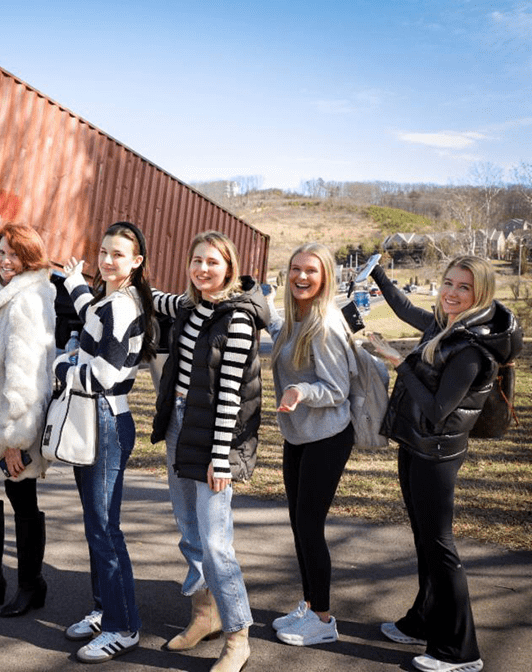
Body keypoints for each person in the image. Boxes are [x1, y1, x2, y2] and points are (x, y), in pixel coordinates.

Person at [368, 256, 521, 672]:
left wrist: (399, 362)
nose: (451, 293)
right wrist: (375, 272)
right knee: (423, 540)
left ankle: (460, 652)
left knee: (440, 545)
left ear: (481, 293)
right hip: (415, 445)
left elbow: (437, 410)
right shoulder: (447, 324)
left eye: (463, 288)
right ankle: (423, 619)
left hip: (437, 452)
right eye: (447, 283)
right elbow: (405, 308)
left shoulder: (472, 348)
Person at [149, 230, 268, 672]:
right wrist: (114, 271)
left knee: (217, 544)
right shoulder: (189, 306)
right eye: (196, 260)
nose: (202, 269)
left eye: (212, 262)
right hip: (181, 425)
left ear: (229, 267)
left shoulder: (237, 319)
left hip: (216, 434)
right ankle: (205, 616)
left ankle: (238, 637)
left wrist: (221, 458)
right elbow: (153, 296)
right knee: (189, 532)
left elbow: (232, 398)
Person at [58, 222, 155, 664]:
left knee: (105, 530)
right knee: (96, 525)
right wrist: (75, 283)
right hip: (97, 421)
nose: (107, 260)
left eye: (118, 254)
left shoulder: (120, 305)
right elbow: (92, 312)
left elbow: (103, 375)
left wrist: (60, 368)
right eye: (104, 252)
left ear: (136, 262)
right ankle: (104, 610)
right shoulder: (110, 301)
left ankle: (123, 626)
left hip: (105, 420)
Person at [0, 215, 56, 616]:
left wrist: (16, 440)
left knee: (22, 498)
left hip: (12, 426)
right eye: (1, 254)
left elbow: (25, 374)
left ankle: (30, 583)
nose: (5, 261)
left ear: (30, 259)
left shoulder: (29, 298)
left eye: (14, 255)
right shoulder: (2, 289)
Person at [266, 243, 354, 647]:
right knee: (298, 525)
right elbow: (279, 336)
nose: (302, 277)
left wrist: (301, 390)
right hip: (298, 434)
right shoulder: (294, 318)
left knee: (309, 527)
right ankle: (308, 603)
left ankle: (323, 618)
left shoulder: (326, 323)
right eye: (296, 269)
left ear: (326, 278)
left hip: (327, 436)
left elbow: (336, 388)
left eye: (312, 271)